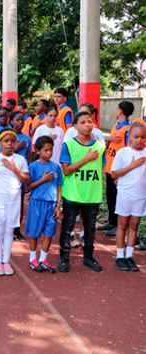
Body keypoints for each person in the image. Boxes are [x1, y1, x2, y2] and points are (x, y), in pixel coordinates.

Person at [58, 111, 106, 273]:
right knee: (68, 226)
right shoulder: (69, 145)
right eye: (83, 122)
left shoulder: (100, 146)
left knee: (90, 228)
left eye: (90, 121)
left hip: (91, 195)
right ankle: (64, 258)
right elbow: (66, 171)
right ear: (76, 126)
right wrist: (85, 159)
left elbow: (102, 168)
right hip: (72, 194)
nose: (88, 124)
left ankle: (88, 257)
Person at [0, 130, 30, 276]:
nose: (10, 144)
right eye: (6, 141)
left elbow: (27, 180)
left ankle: (6, 261)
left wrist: (14, 169)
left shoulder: (20, 160)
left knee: (10, 231)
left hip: (15, 200)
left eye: (13, 141)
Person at [111, 122, 146, 272]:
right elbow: (114, 174)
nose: (139, 140)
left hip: (141, 196)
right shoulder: (123, 153)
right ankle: (120, 256)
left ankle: (129, 256)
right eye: (136, 137)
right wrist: (132, 166)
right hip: (125, 193)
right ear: (130, 137)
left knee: (134, 226)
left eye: (143, 137)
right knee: (122, 225)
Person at [24, 136, 62, 273]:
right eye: (46, 150)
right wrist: (43, 179)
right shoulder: (32, 166)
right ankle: (32, 258)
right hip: (37, 203)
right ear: (38, 151)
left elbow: (59, 187)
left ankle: (43, 258)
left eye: (51, 149)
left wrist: (58, 205)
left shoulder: (56, 167)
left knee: (49, 232)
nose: (49, 153)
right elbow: (28, 186)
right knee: (34, 232)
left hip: (51, 204)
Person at [98, 101, 134, 237]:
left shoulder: (128, 130)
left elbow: (129, 151)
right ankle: (112, 221)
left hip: (120, 171)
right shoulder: (114, 127)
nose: (116, 111)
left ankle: (120, 225)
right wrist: (109, 139)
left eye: (117, 109)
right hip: (110, 168)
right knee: (111, 196)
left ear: (120, 112)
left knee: (120, 198)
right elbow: (108, 146)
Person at [7, 111, 32, 242]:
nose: (20, 122)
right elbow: (3, 153)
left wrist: (30, 178)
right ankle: (7, 228)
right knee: (7, 200)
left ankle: (17, 228)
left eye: (22, 120)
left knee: (19, 201)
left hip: (22, 173)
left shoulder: (27, 138)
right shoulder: (7, 136)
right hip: (9, 172)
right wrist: (17, 147)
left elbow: (30, 158)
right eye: (17, 120)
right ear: (11, 121)